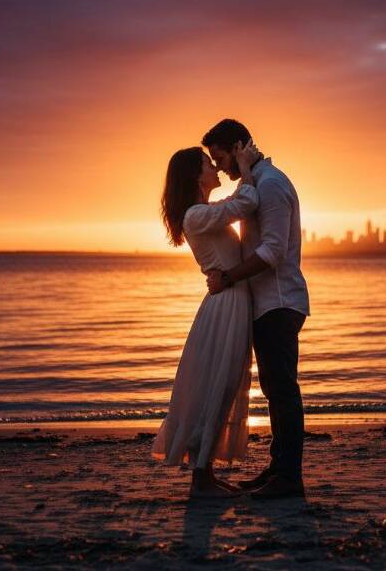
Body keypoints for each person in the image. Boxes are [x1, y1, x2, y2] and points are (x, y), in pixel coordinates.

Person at [202, 119, 310, 499]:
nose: (218, 168)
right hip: (266, 303)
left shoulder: (272, 184)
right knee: (274, 388)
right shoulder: (256, 182)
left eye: (220, 158)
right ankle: (278, 469)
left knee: (282, 390)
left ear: (237, 147)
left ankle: (289, 478)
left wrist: (229, 277)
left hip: (279, 301)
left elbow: (273, 251)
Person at [151, 140, 261, 499]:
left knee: (224, 383)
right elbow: (246, 203)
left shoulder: (204, 211)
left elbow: (236, 206)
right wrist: (245, 167)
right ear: (194, 176)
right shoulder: (196, 215)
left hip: (230, 300)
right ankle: (202, 476)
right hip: (225, 304)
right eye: (207, 163)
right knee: (220, 383)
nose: (215, 167)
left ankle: (205, 471)